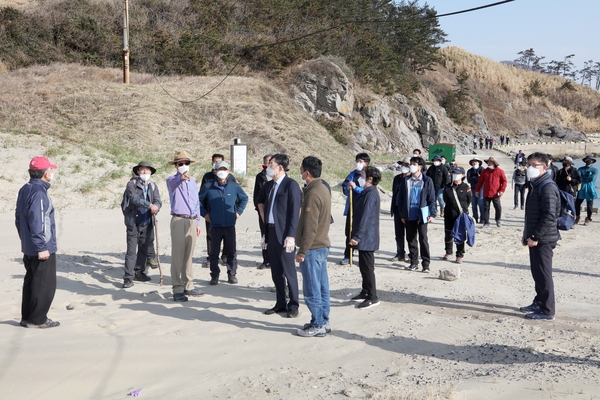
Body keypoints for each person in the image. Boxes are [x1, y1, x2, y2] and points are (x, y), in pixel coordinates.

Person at [15, 156, 60, 328]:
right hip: (41, 247)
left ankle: (27, 317)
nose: (52, 173)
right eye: (50, 170)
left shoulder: (25, 188)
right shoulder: (38, 193)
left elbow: (18, 219)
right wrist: (42, 246)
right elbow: (38, 221)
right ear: (45, 173)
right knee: (44, 284)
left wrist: (26, 240)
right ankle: (38, 319)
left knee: (32, 281)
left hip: (29, 245)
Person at [259, 154, 302, 318]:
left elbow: (294, 213)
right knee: (276, 271)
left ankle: (294, 304)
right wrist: (264, 234)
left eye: (271, 164)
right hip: (271, 232)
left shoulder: (291, 185)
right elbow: (265, 207)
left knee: (289, 271)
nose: (268, 167)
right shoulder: (269, 185)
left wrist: (291, 235)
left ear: (280, 168)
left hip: (284, 234)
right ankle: (280, 302)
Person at [519, 152, 561, 321]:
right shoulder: (536, 185)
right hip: (535, 237)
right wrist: (526, 235)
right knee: (537, 272)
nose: (530, 168)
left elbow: (550, 215)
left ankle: (547, 310)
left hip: (544, 239)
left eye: (534, 165)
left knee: (544, 273)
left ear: (544, 167)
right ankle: (539, 301)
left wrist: (535, 236)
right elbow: (533, 214)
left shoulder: (548, 186)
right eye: (528, 164)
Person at [295, 156, 332, 337]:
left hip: (313, 247)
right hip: (322, 245)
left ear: (307, 172)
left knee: (312, 289)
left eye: (301, 169)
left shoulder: (313, 193)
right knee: (322, 286)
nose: (300, 172)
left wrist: (302, 251)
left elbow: (310, 227)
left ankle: (318, 324)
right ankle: (323, 320)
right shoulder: (322, 187)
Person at [199, 161, 248, 285]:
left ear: (228, 172)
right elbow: (197, 201)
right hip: (215, 225)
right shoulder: (208, 186)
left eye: (224, 169)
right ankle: (214, 275)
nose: (222, 171)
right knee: (214, 252)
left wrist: (238, 212)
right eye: (219, 169)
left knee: (231, 251)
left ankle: (232, 274)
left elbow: (244, 198)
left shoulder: (234, 186)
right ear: (215, 171)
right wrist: (204, 214)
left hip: (230, 225)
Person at [166, 151, 204, 302]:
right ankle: (177, 288)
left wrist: (198, 222)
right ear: (175, 166)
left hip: (192, 220)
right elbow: (174, 184)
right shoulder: (171, 180)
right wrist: (180, 178)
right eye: (180, 164)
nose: (184, 166)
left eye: (186, 163)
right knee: (178, 255)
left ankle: (189, 285)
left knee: (188, 255)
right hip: (178, 220)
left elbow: (196, 203)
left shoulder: (193, 182)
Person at [122, 161, 162, 288]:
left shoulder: (153, 185)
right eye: (142, 170)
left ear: (150, 172)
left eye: (147, 170)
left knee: (143, 249)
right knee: (131, 251)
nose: (145, 173)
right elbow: (134, 199)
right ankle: (128, 278)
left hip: (147, 222)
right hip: (133, 222)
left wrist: (157, 206)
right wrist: (149, 205)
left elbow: (158, 200)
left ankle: (140, 272)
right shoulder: (131, 184)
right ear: (138, 172)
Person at [396, 156, 437, 273]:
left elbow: (431, 199)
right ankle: (414, 262)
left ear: (420, 167)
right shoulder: (406, 180)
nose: (411, 166)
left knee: (423, 239)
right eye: (411, 164)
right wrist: (402, 214)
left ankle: (426, 264)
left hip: (422, 214)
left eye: (414, 164)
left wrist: (432, 214)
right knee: (411, 239)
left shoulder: (427, 180)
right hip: (409, 214)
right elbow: (401, 199)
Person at [349, 166, 381, 309]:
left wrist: (357, 237)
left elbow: (365, 218)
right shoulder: (367, 192)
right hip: (365, 237)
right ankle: (365, 290)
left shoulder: (371, 194)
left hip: (367, 237)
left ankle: (372, 296)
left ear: (370, 179)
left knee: (367, 268)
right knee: (363, 266)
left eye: (362, 174)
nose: (359, 176)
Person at [200, 153, 237, 268]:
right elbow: (200, 197)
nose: (218, 164)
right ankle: (211, 258)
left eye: (220, 162)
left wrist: (237, 211)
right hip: (211, 212)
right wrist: (204, 213)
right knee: (211, 235)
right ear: (212, 164)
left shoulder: (231, 178)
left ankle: (225, 256)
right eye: (216, 162)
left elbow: (239, 197)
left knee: (228, 237)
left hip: (227, 214)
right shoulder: (207, 177)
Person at [340, 153, 370, 265]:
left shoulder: (369, 176)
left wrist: (356, 188)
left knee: (362, 232)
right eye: (357, 161)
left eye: (361, 161)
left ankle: (364, 256)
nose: (358, 163)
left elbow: (368, 192)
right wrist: (348, 188)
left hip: (364, 209)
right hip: (352, 208)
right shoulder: (352, 174)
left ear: (366, 163)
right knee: (350, 232)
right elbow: (345, 187)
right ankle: (348, 255)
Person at [442, 166, 471, 263]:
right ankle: (448, 252)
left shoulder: (466, 187)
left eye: (457, 173)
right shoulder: (447, 187)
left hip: (460, 216)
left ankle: (459, 254)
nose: (455, 175)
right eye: (453, 173)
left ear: (462, 175)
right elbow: (445, 199)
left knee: (460, 235)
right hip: (449, 214)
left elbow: (468, 201)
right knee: (448, 235)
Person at [475, 156, 507, 228]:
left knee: (498, 207)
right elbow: (480, 182)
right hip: (486, 193)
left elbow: (504, 181)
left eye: (491, 162)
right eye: (488, 162)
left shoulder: (500, 171)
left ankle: (498, 219)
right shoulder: (484, 171)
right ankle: (486, 222)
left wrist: (502, 190)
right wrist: (477, 190)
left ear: (494, 163)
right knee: (486, 208)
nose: (489, 163)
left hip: (496, 193)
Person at [390, 157, 411, 262]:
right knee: (398, 233)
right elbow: (394, 193)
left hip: (408, 210)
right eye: (403, 165)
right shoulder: (397, 178)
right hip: (397, 208)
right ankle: (400, 253)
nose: (404, 167)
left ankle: (412, 254)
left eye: (406, 165)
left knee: (410, 234)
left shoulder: (412, 179)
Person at [253, 154, 272, 269]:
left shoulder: (279, 176)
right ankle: (266, 260)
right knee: (264, 235)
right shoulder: (260, 176)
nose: (269, 163)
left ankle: (275, 259)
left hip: (275, 212)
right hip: (263, 211)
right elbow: (256, 195)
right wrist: (259, 210)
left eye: (271, 161)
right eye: (267, 162)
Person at [575, 155, 598, 226]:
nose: (589, 160)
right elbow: (579, 177)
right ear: (585, 160)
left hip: (590, 187)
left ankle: (588, 218)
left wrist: (584, 178)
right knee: (577, 203)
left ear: (593, 161)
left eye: (590, 159)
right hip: (582, 187)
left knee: (590, 204)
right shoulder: (581, 169)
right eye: (587, 159)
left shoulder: (595, 169)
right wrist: (587, 177)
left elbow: (592, 179)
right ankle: (578, 216)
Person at [466, 158, 484, 223]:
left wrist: (475, 178)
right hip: (473, 188)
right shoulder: (470, 171)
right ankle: (475, 218)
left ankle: (482, 218)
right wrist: (477, 177)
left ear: (479, 162)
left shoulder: (482, 170)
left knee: (481, 203)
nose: (474, 163)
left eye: (476, 162)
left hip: (481, 189)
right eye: (473, 162)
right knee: (473, 204)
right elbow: (469, 180)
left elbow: (483, 179)